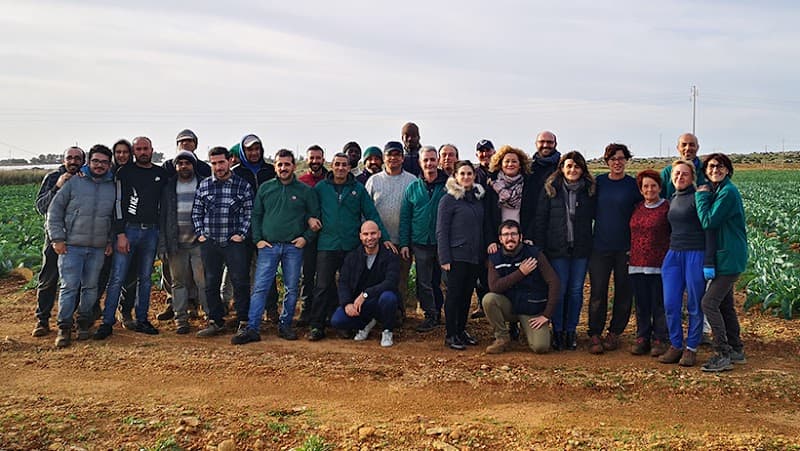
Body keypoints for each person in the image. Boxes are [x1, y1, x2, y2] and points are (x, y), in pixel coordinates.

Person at [233, 149, 320, 344]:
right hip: (268, 246)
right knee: (260, 288)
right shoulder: (266, 188)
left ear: (294, 166)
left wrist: (306, 238)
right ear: (275, 167)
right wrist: (258, 240)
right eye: (280, 164)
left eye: (287, 164)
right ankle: (252, 328)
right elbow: (256, 215)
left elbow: (315, 218)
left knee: (291, 288)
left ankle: (285, 325)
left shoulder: (305, 191)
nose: (283, 168)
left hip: (293, 247)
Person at [307, 153, 393, 341]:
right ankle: (317, 325)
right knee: (322, 285)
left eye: (344, 165)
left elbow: (371, 213)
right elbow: (310, 210)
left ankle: (345, 324)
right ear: (332, 165)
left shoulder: (358, 189)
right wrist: (310, 219)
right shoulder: (321, 188)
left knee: (350, 284)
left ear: (349, 167)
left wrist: (384, 237)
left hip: (351, 245)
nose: (340, 168)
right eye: (337, 164)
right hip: (327, 244)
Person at [94, 137, 167, 340]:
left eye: (146, 148)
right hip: (129, 231)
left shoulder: (160, 173)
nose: (142, 152)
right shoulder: (124, 173)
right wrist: (120, 234)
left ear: (152, 150)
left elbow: (163, 204)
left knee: (145, 278)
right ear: (134, 152)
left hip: (151, 232)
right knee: (117, 278)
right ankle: (107, 322)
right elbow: (118, 204)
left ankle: (142, 319)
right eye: (139, 149)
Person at [46, 145, 115, 347]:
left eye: (104, 162)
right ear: (89, 162)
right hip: (71, 246)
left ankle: (84, 323)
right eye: (96, 161)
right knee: (69, 287)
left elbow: (114, 217)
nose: (99, 165)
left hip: (97, 248)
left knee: (91, 287)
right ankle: (64, 327)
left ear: (109, 165)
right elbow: (54, 211)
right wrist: (57, 238)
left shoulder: (112, 186)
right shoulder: (74, 182)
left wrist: (109, 240)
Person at [534, 151, 596, 351]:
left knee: (576, 291)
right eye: (569, 166)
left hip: (581, 249)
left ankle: (571, 331)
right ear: (561, 168)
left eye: (577, 166)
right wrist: (539, 248)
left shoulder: (590, 190)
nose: (573, 170)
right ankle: (558, 331)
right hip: (556, 249)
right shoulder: (551, 189)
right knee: (559, 291)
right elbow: (541, 220)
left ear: (582, 169)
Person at [192, 147, 254, 338]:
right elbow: (197, 212)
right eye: (214, 163)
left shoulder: (242, 185)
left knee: (240, 282)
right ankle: (215, 321)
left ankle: (244, 321)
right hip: (210, 241)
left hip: (234, 242)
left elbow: (249, 213)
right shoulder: (204, 185)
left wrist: (241, 234)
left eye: (221, 162)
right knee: (211, 283)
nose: (218, 167)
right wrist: (201, 234)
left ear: (229, 161)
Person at [587, 143, 642, 354]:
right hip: (600, 246)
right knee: (598, 292)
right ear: (607, 162)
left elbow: (640, 214)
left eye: (620, 158)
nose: (617, 162)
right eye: (612, 159)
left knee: (624, 292)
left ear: (626, 160)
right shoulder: (599, 182)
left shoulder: (633, 185)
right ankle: (594, 333)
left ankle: (615, 332)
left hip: (625, 248)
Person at [696, 153, 748, 372]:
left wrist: (701, 196)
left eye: (719, 166)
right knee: (725, 304)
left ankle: (722, 353)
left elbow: (708, 221)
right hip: (726, 256)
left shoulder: (727, 192)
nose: (715, 170)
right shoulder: (721, 190)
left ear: (727, 170)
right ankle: (736, 348)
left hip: (729, 257)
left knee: (708, 303)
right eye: (710, 167)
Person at [658, 160, 712, 367]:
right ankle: (675, 345)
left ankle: (691, 348)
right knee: (670, 303)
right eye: (676, 174)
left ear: (692, 177)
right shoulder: (673, 198)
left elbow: (709, 229)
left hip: (695, 253)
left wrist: (709, 260)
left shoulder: (699, 197)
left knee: (694, 304)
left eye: (684, 174)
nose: (680, 177)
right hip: (674, 254)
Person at [483, 220, 560, 354]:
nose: (510, 238)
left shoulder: (534, 254)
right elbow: (494, 287)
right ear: (500, 239)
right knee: (489, 300)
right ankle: (502, 338)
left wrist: (546, 315)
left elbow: (554, 282)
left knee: (540, 347)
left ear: (521, 237)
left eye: (514, 234)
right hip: (510, 306)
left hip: (531, 307)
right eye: (506, 235)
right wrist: (521, 273)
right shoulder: (495, 258)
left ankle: (529, 331)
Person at [32, 146, 85, 337]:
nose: (73, 161)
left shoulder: (86, 179)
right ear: (64, 160)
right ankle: (42, 319)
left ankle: (70, 319)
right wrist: (57, 187)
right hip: (54, 237)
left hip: (78, 237)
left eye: (77, 158)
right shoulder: (53, 178)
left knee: (75, 281)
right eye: (69, 158)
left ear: (83, 161)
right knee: (49, 279)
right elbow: (41, 207)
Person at [157, 129, 210, 322]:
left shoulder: (204, 181)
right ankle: (179, 316)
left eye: (187, 163)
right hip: (176, 241)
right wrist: (163, 243)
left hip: (198, 241)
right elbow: (163, 215)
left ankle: (209, 315)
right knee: (177, 281)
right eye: (180, 163)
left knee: (202, 281)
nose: (183, 166)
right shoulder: (168, 184)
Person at [437, 160, 486, 350]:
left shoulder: (477, 199)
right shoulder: (448, 200)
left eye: (469, 173)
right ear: (455, 177)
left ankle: (461, 330)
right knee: (454, 296)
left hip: (474, 256)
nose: (466, 177)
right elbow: (442, 230)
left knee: (466, 296)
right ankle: (451, 334)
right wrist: (444, 257)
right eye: (462, 174)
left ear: (474, 176)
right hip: (455, 256)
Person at [399, 146, 448, 332]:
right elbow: (405, 218)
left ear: (438, 161)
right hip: (420, 242)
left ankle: (449, 313)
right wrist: (404, 243)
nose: (429, 163)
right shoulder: (412, 187)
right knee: (424, 281)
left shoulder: (449, 185)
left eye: (432, 159)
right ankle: (430, 315)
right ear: (420, 162)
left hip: (443, 242)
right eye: (425, 160)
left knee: (446, 281)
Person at [331, 221, 400, 347]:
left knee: (389, 297)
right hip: (360, 305)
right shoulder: (352, 257)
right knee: (337, 320)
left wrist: (365, 294)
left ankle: (387, 330)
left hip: (380, 301)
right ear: (360, 236)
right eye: (366, 234)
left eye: (373, 233)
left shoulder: (390, 256)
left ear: (379, 234)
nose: (369, 237)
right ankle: (365, 325)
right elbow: (343, 282)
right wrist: (347, 304)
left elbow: (391, 282)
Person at [233, 133, 279, 322]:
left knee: (268, 271)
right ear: (243, 152)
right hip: (243, 230)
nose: (254, 153)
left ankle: (272, 309)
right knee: (241, 273)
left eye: (257, 149)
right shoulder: (236, 172)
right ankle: (242, 312)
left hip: (267, 228)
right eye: (249, 149)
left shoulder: (270, 170)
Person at [365, 141, 416, 310]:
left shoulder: (412, 180)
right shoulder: (373, 181)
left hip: (403, 242)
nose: (393, 158)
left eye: (397, 155)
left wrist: (406, 241)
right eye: (389, 155)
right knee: (377, 279)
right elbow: (365, 211)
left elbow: (414, 212)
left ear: (402, 158)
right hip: (378, 242)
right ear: (384, 158)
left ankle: (399, 313)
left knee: (401, 279)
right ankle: (377, 313)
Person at [628, 170, 670, 357]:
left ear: (660, 188)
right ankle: (642, 337)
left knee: (659, 303)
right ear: (640, 189)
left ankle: (660, 338)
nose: (649, 189)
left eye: (653, 186)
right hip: (637, 263)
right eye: (645, 186)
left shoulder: (667, 207)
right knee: (642, 303)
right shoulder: (637, 207)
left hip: (659, 264)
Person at [296, 145, 327, 327]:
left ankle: (326, 310)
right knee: (307, 274)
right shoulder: (301, 182)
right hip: (308, 235)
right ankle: (305, 310)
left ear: (323, 159)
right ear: (307, 160)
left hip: (327, 235)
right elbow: (297, 208)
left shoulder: (330, 180)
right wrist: (308, 219)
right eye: (312, 158)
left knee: (326, 276)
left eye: (318, 158)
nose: (315, 161)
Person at [661, 133, 707, 199]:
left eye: (691, 145)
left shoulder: (707, 171)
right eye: (684, 145)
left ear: (697, 147)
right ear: (678, 148)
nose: (687, 148)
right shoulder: (667, 172)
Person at [528, 131, 561, 203]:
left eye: (549, 142)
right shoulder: (528, 168)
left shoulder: (562, 167)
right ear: (536, 144)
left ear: (555, 144)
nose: (545, 145)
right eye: (542, 142)